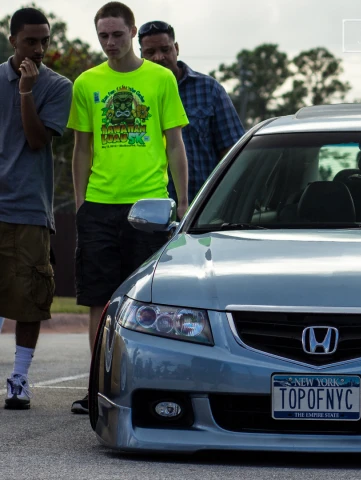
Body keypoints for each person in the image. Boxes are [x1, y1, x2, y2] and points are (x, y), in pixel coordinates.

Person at [67, 1, 189, 414]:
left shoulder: (159, 79)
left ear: (133, 32)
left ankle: (145, 386)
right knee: (99, 301)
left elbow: (175, 144)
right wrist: (82, 203)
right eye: (103, 35)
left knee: (149, 301)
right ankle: (97, 388)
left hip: (149, 208)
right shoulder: (86, 83)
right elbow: (81, 149)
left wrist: (183, 203)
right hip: (100, 206)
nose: (110, 42)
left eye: (117, 34)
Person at [1, 8, 73, 410]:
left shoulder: (57, 86)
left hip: (30, 209)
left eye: (45, 40)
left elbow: (35, 141)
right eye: (31, 40)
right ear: (12, 40)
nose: (40, 48)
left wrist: (26, 92)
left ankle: (19, 380)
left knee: (30, 296)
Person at [137, 21, 244, 203]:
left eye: (165, 49)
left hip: (203, 207)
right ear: (141, 55)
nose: (158, 57)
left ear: (176, 48)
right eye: (150, 52)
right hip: (147, 206)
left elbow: (232, 152)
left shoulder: (209, 89)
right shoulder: (133, 95)